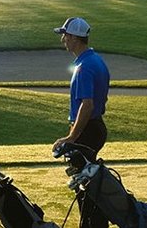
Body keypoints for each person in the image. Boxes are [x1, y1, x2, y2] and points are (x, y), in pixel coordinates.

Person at [53, 16, 111, 227]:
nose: (63, 40)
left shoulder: (84, 67)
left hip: (87, 131)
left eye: (65, 36)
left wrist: (71, 137)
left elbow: (87, 105)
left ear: (75, 38)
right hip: (95, 128)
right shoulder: (94, 60)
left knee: (85, 188)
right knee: (90, 185)